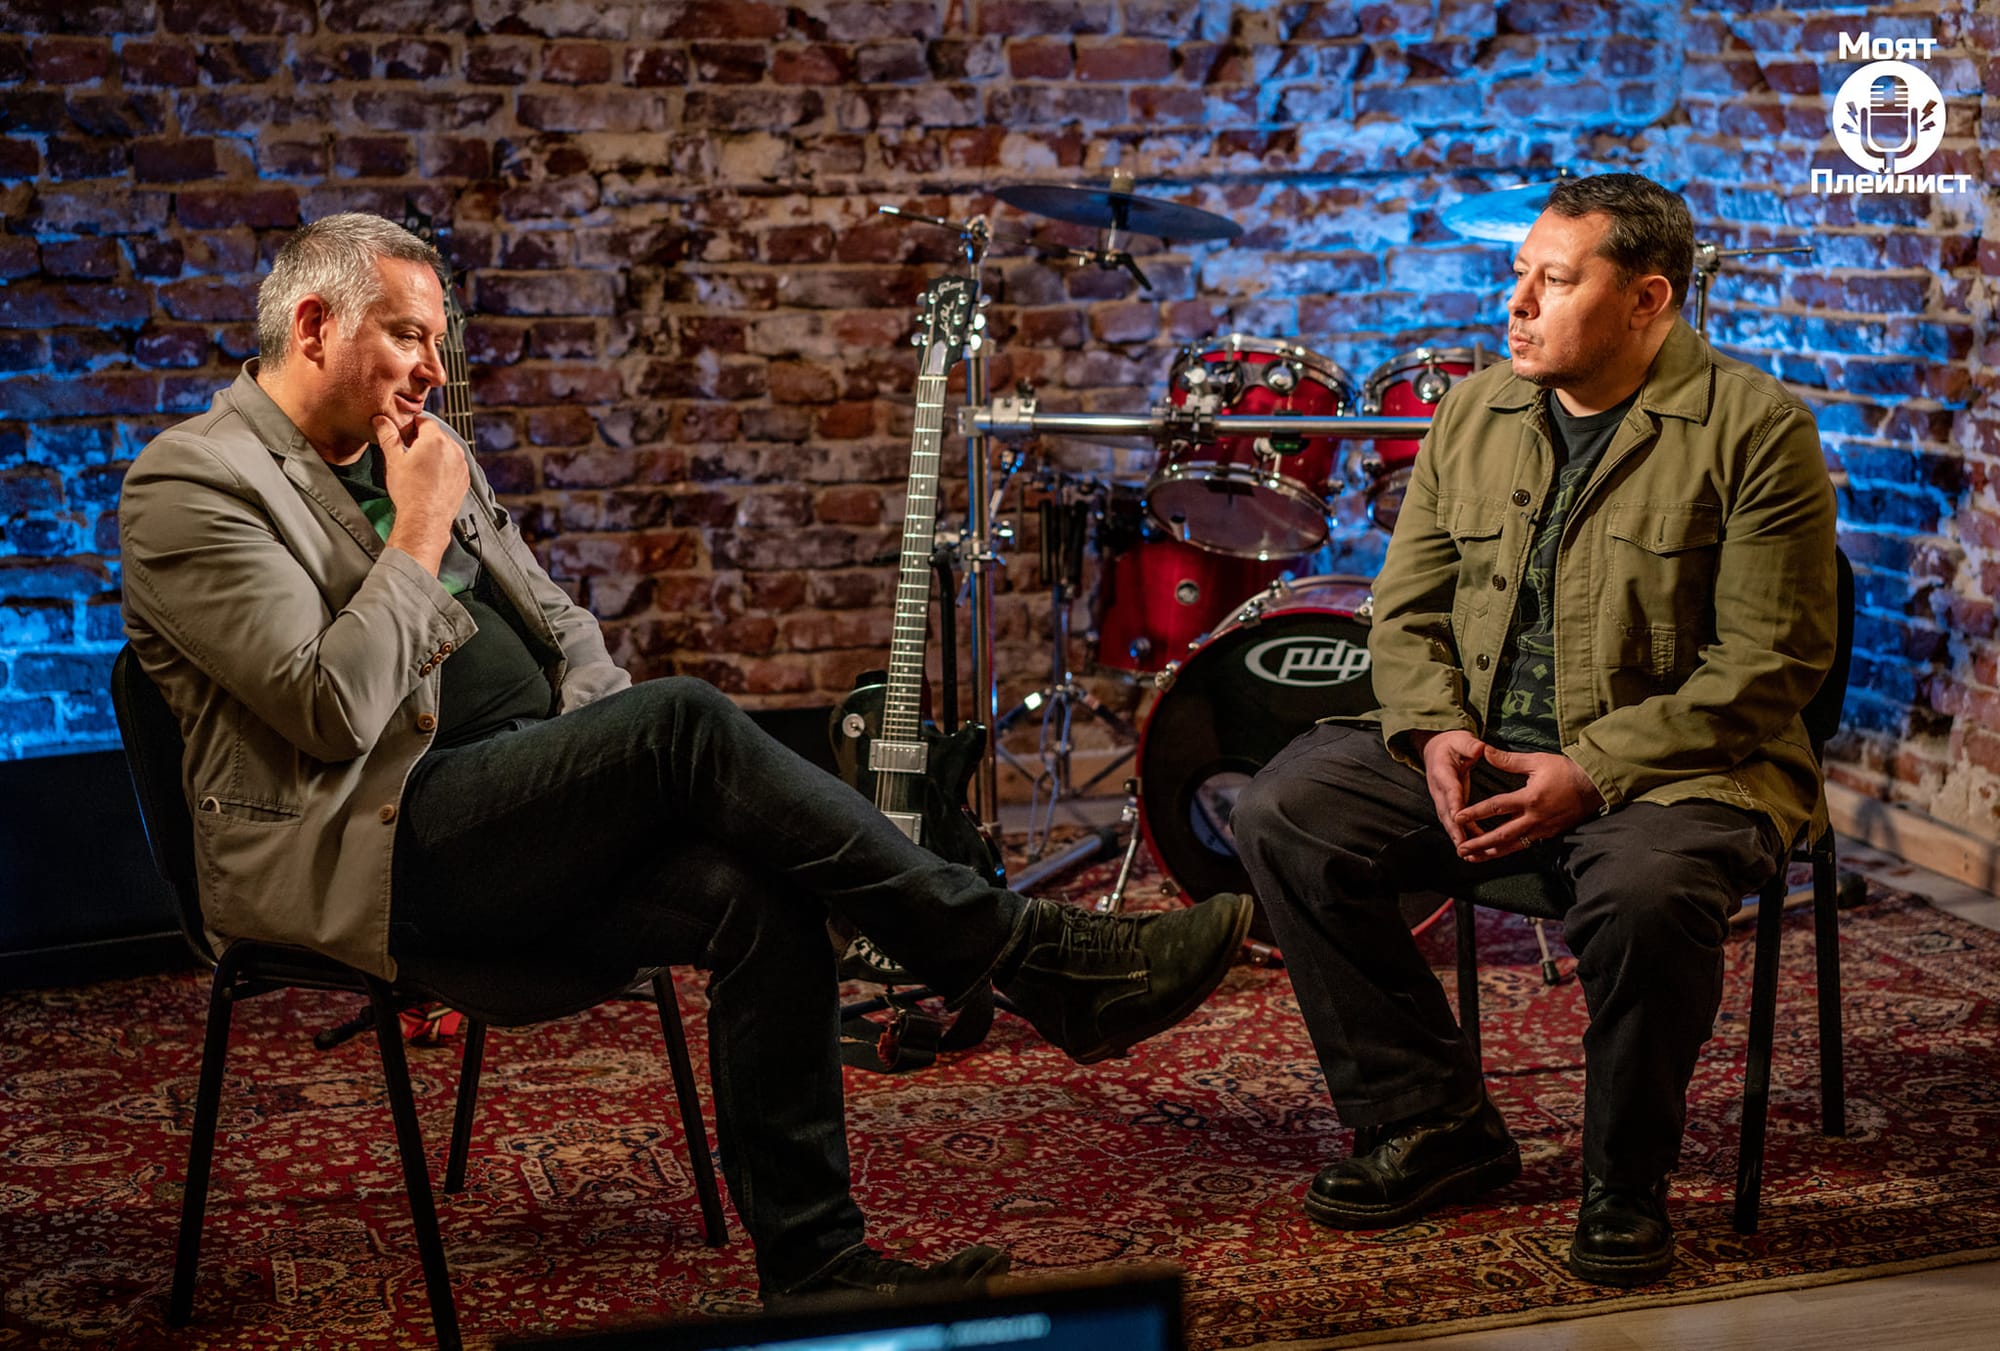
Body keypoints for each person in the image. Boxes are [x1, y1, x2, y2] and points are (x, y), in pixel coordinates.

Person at [117, 212, 1255, 1305]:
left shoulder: (409, 448)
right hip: (374, 847)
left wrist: (599, 778)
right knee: (683, 722)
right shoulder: (195, 483)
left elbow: (562, 626)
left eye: (438, 343)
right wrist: (419, 525)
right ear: (314, 324)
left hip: (510, 806)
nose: (432, 371)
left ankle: (817, 1272)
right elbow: (328, 708)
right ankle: (1034, 958)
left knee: (758, 893)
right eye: (407, 335)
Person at [1232, 173, 1837, 1287]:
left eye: (1553, 281)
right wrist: (1431, 732)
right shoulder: (1473, 411)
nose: (1515, 304)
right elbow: (1404, 613)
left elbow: (1772, 663)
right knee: (1285, 809)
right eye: (1518, 275)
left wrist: (1590, 771)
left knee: (1646, 892)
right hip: (1479, 748)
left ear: (1646, 299)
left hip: (1676, 770)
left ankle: (1623, 1180)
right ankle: (1431, 1119)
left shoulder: (1756, 429)